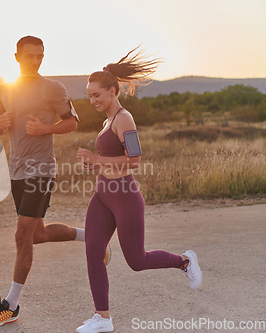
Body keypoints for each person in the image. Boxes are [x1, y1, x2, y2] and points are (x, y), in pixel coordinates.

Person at [0, 35, 110, 327]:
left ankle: (10, 306)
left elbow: (72, 122)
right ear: (17, 57)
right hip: (16, 171)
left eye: (40, 55)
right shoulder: (4, 89)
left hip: (40, 170)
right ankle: (91, 236)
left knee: (21, 235)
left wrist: (45, 128)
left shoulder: (53, 88)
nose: (36, 60)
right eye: (30, 56)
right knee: (37, 234)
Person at [75, 47, 202, 333]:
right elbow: (111, 161)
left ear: (112, 91)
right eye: (89, 95)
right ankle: (103, 318)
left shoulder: (123, 119)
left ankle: (184, 261)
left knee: (137, 260)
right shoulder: (107, 122)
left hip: (125, 198)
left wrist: (96, 158)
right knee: (93, 251)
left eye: (96, 94)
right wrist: (95, 165)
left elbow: (135, 161)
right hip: (102, 195)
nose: (92, 100)